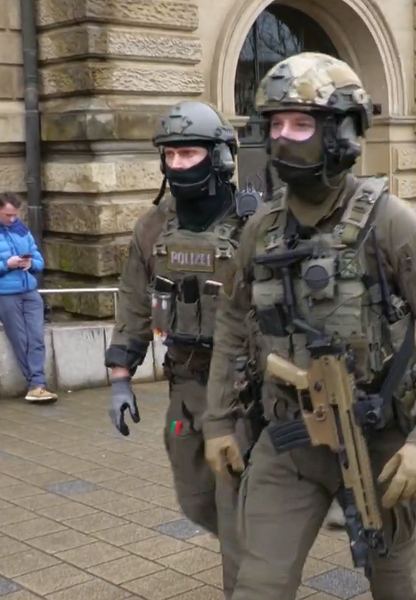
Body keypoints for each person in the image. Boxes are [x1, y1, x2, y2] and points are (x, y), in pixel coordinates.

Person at [202, 52, 416, 600]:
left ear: (341, 133)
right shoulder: (261, 229)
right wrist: (217, 420)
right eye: (274, 125)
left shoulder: (392, 223)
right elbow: (232, 322)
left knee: (393, 582)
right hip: (289, 441)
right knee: (259, 584)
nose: (282, 138)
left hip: (378, 438)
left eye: (300, 124)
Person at [103, 101, 253, 597]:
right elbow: (133, 304)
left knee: (233, 507)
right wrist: (120, 377)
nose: (177, 165)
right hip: (185, 385)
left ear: (219, 157)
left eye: (189, 154)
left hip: (241, 390)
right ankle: (261, 543)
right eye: (170, 155)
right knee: (194, 498)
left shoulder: (257, 223)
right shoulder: (152, 229)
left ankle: (249, 574)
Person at [0, 192, 55, 403]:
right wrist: (6, 264)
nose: (12, 219)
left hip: (29, 290)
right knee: (21, 339)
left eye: (15, 215)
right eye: (8, 215)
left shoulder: (20, 229)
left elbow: (40, 261)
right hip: (3, 294)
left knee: (36, 337)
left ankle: (37, 385)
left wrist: (30, 264)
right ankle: (36, 384)